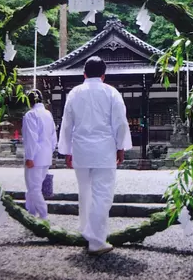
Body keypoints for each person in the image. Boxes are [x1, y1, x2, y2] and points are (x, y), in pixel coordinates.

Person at [58, 56, 132, 256]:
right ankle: (95, 239)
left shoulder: (74, 93)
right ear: (103, 75)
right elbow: (120, 122)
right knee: (103, 195)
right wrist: (121, 147)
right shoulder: (111, 92)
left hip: (81, 149)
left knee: (85, 194)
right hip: (104, 150)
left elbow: (67, 124)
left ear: (84, 74)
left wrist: (67, 150)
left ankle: (88, 234)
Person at [22, 89, 57, 220]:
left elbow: (31, 138)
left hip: (35, 157)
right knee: (33, 187)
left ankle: (43, 214)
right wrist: (50, 151)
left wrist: (30, 157)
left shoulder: (31, 115)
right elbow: (54, 136)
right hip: (46, 155)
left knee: (34, 188)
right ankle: (31, 213)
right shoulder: (48, 114)